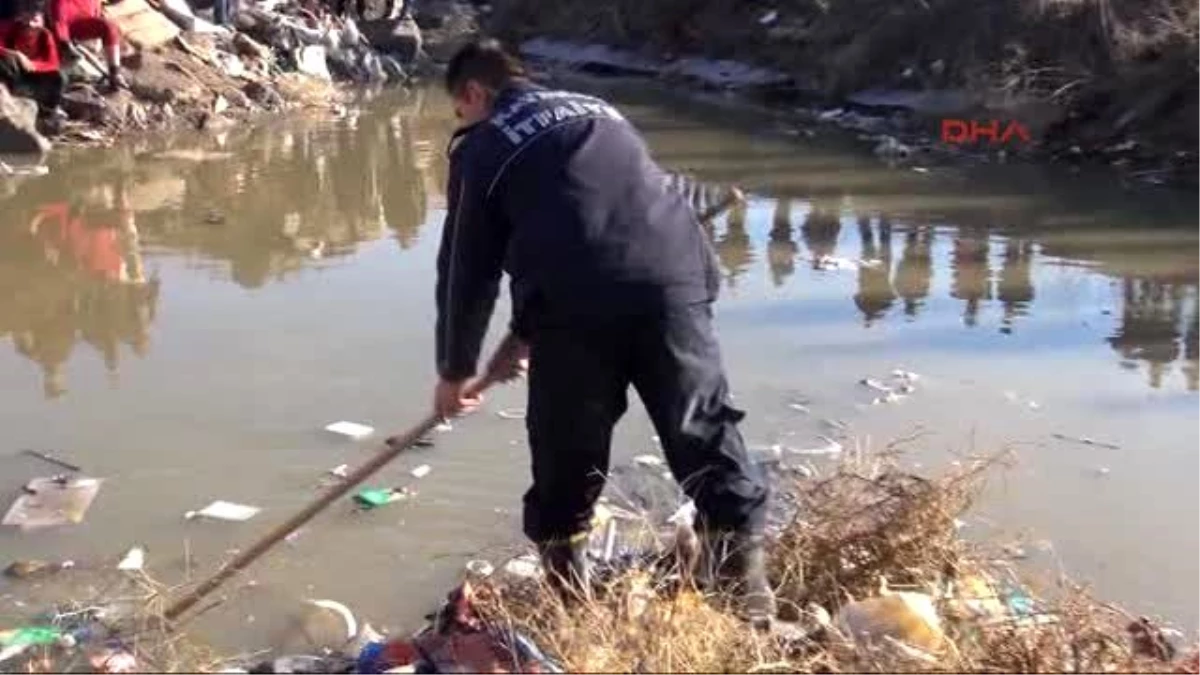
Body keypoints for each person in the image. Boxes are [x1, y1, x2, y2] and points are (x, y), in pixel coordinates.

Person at [429, 38, 775, 626]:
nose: (463, 120)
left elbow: (468, 270)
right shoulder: (601, 111)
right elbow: (602, 218)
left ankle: (574, 617)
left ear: (473, 93)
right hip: (677, 282)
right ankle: (749, 605)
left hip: (577, 308)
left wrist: (455, 370)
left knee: (568, 451)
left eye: (459, 111)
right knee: (702, 430)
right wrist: (522, 335)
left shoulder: (484, 147)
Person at [0, 0, 67, 121]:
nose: (30, 24)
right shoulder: (10, 30)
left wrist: (34, 65)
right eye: (26, 19)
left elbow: (53, 63)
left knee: (58, 78)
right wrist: (14, 54)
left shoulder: (45, 35)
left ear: (42, 21)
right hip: (13, 72)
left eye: (35, 20)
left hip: (33, 74)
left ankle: (49, 110)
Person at [45, 0, 125, 92]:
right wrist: (64, 42)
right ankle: (65, 47)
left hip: (82, 22)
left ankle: (114, 73)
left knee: (110, 27)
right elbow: (58, 20)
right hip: (64, 26)